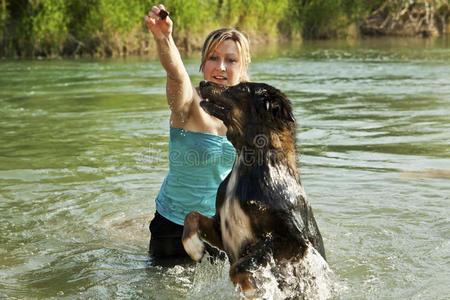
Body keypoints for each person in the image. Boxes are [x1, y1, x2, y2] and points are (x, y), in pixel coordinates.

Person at [144, 4, 251, 262]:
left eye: (231, 60)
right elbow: (177, 75)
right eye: (213, 58)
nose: (221, 67)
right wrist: (165, 39)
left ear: (243, 66)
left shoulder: (250, 114)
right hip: (173, 229)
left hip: (222, 228)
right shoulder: (189, 105)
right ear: (203, 64)